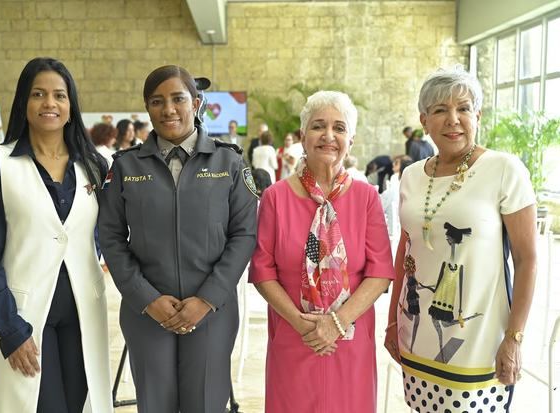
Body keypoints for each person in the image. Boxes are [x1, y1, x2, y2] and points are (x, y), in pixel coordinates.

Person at [98, 64, 257, 413]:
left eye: (178, 98)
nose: (168, 109)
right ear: (147, 108)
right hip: (147, 312)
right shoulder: (126, 167)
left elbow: (244, 234)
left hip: (212, 311)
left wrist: (208, 298)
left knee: (205, 403)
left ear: (196, 103)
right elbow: (109, 235)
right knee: (154, 405)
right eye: (157, 101)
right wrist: (146, 298)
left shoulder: (228, 162)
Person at [384, 67, 537, 412]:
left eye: (464, 108)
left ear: (477, 116)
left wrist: (513, 339)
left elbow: (527, 260)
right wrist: (394, 319)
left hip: (480, 340)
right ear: (424, 120)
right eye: (440, 110)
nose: (453, 119)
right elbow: (405, 252)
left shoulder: (504, 170)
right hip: (419, 329)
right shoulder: (411, 176)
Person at [0, 57, 112, 413]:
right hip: (24, 314)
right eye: (38, 94)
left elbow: (98, 235)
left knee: (82, 405)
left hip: (84, 312)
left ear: (71, 105)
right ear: (24, 103)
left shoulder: (93, 164)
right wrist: (9, 328)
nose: (50, 103)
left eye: (59, 95)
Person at [250, 90, 395, 412]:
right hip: (294, 333)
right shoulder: (275, 197)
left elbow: (380, 271)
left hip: (350, 335)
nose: (328, 136)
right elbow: (262, 271)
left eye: (339, 128)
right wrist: (303, 324)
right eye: (318, 126)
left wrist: (337, 322)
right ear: (302, 136)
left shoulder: (366, 197)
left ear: (351, 140)